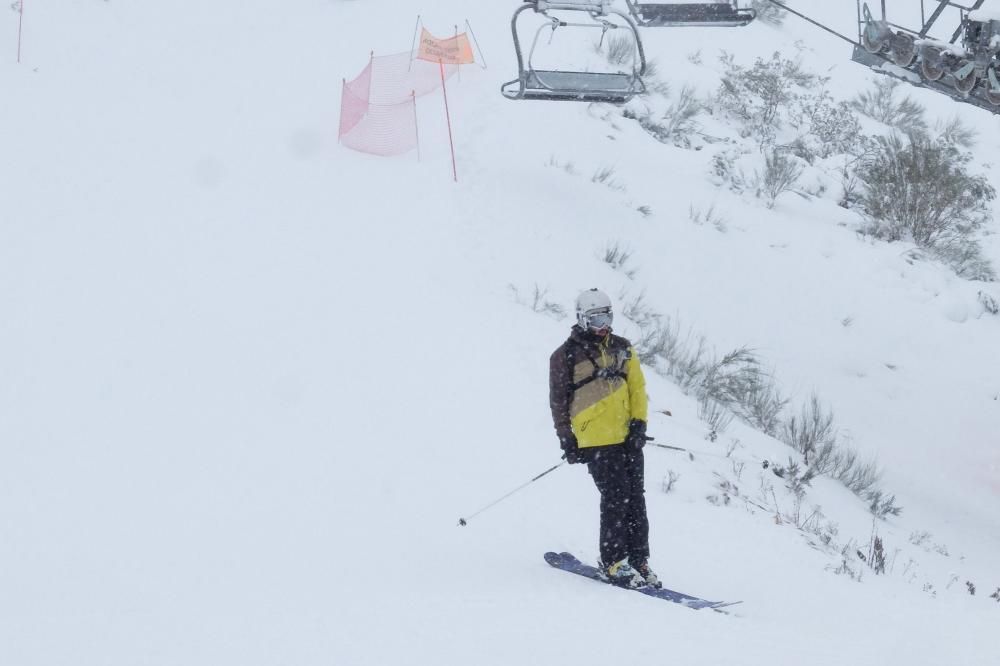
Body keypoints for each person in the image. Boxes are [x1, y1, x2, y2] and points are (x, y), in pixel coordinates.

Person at [548, 288, 659, 589]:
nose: (603, 324)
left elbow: (637, 387)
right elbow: (558, 401)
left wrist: (639, 424)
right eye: (596, 318)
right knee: (615, 497)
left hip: (626, 437)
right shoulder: (564, 356)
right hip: (595, 439)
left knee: (636, 498)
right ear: (583, 319)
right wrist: (566, 439)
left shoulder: (623, 347)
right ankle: (614, 562)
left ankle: (639, 560)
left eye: (606, 316)